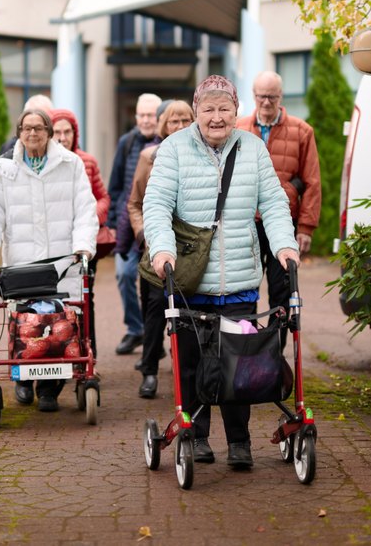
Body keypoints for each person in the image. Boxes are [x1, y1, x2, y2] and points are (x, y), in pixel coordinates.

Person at [143, 75, 300, 468]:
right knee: (193, 360)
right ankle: (196, 437)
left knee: (238, 365)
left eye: (224, 109)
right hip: (190, 278)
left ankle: (239, 442)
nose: (216, 117)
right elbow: (157, 204)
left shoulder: (253, 148)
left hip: (240, 282)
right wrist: (162, 249)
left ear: (236, 111)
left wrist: (284, 245)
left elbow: (276, 204)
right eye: (208, 109)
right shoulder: (174, 149)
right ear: (197, 111)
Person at [0, 109, 98, 412]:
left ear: (49, 132)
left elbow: (85, 211)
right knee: (25, 320)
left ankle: (49, 390)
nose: (33, 134)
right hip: (22, 265)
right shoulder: (2, 170)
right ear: (19, 132)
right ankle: (21, 380)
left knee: (58, 322)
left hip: (61, 265)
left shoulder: (71, 165)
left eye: (39, 128)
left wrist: (83, 247)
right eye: (27, 129)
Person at [236, 71, 320, 311]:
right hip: (245, 220)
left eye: (272, 97)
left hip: (283, 220)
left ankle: (275, 348)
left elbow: (312, 181)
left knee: (281, 288)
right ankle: (247, 342)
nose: (266, 102)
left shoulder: (302, 131)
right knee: (243, 288)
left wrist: (305, 228)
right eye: (261, 96)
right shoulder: (238, 128)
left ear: (280, 96)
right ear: (253, 95)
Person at [126, 100, 194, 398]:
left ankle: (192, 369)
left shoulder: (203, 156)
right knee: (154, 307)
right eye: (173, 121)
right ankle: (150, 369)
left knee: (190, 310)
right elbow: (134, 203)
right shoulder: (148, 157)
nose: (179, 127)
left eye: (185, 121)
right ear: (163, 126)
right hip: (156, 246)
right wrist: (144, 235)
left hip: (193, 248)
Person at [48, 107, 110, 356]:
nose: (63, 137)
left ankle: (87, 354)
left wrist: (92, 215)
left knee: (86, 299)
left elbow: (103, 197)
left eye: (68, 131)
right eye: (57, 132)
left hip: (83, 243)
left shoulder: (88, 161)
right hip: (56, 243)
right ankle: (59, 351)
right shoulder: (47, 164)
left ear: (76, 133)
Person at [107, 92, 162, 356]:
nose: (146, 119)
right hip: (128, 225)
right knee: (124, 274)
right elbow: (115, 185)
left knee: (153, 286)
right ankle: (135, 329)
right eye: (141, 114)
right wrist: (113, 224)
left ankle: (154, 336)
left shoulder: (166, 144)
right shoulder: (126, 143)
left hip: (156, 225)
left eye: (151, 114)